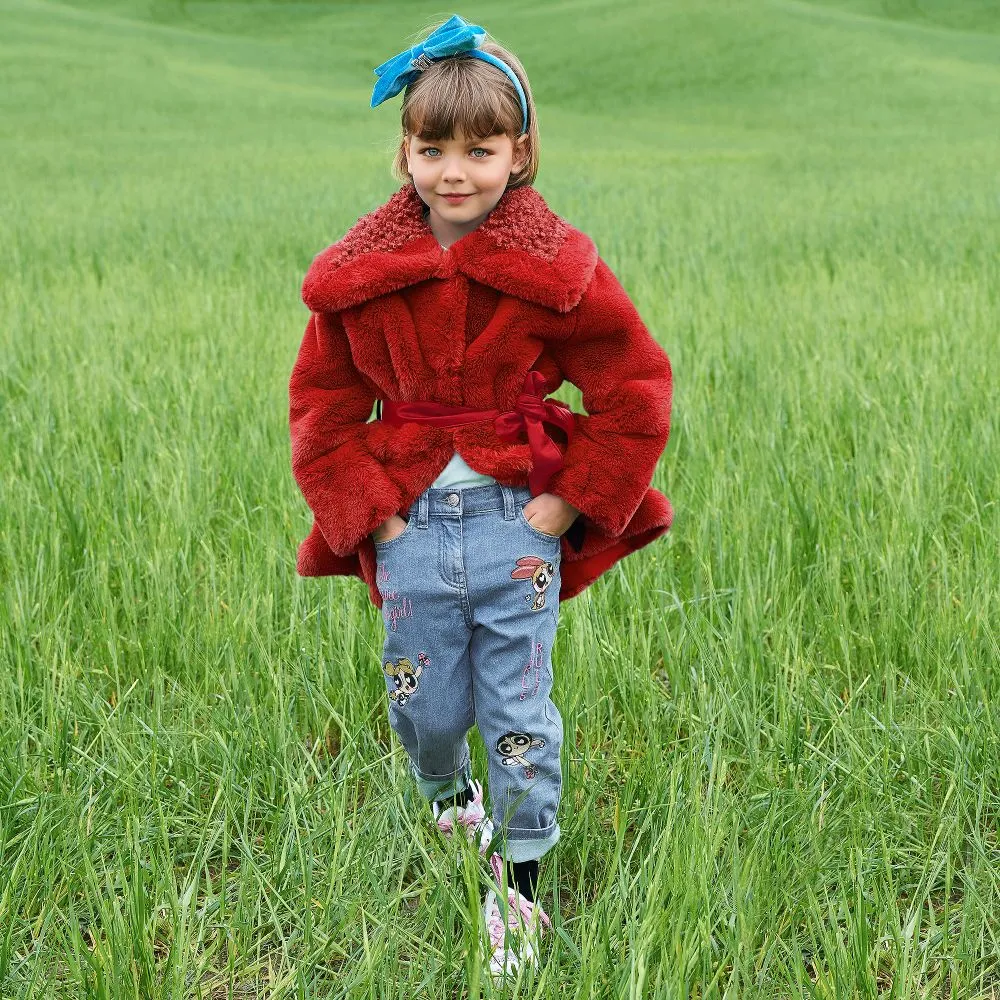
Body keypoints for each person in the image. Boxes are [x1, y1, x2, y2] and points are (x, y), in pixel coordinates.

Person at [288, 13, 673, 982]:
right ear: (404, 151)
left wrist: (569, 503)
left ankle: (521, 881)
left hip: (516, 526)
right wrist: (372, 513)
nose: (453, 170)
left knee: (517, 708)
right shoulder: (359, 279)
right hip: (408, 519)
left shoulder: (557, 270)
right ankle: (444, 789)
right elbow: (323, 404)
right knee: (424, 702)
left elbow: (633, 385)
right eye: (433, 148)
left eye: (479, 148)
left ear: (520, 152)